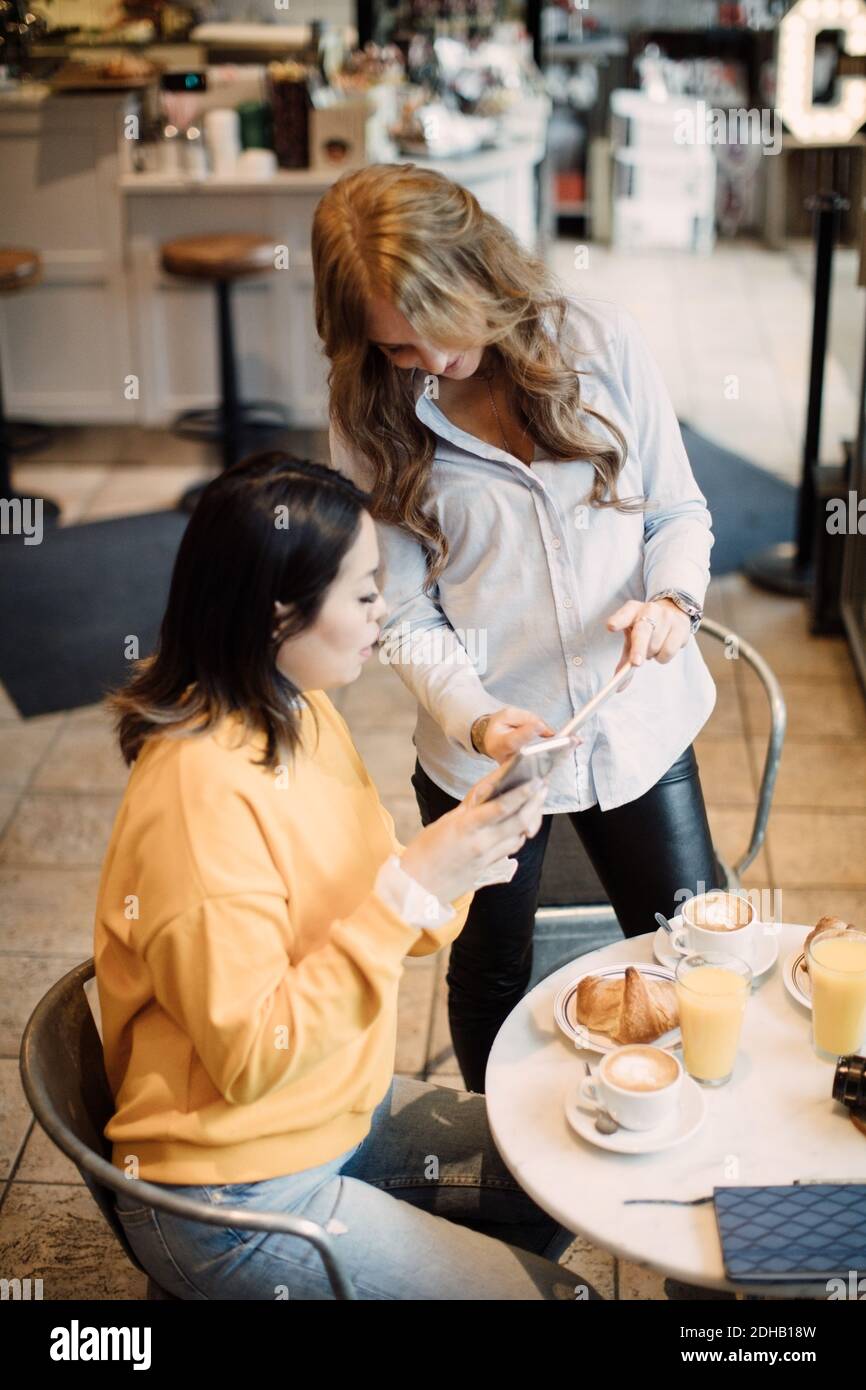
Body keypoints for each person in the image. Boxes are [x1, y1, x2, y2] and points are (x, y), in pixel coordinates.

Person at [96, 453, 598, 1301]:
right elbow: (255, 1056)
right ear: (277, 613)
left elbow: (388, 904)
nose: (383, 614)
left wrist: (463, 849)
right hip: (238, 1191)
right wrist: (412, 885)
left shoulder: (300, 711)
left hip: (336, 1117)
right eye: (364, 594)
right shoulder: (198, 795)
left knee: (571, 1167)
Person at [313, 162, 721, 1093]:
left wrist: (673, 603)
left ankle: (702, 1147)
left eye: (437, 328)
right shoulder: (366, 407)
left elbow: (678, 510)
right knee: (491, 967)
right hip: (485, 753)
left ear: (478, 271)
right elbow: (402, 608)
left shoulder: (599, 340)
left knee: (694, 949)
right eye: (396, 347)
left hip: (638, 724)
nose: (429, 362)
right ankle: (506, 1169)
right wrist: (476, 718)